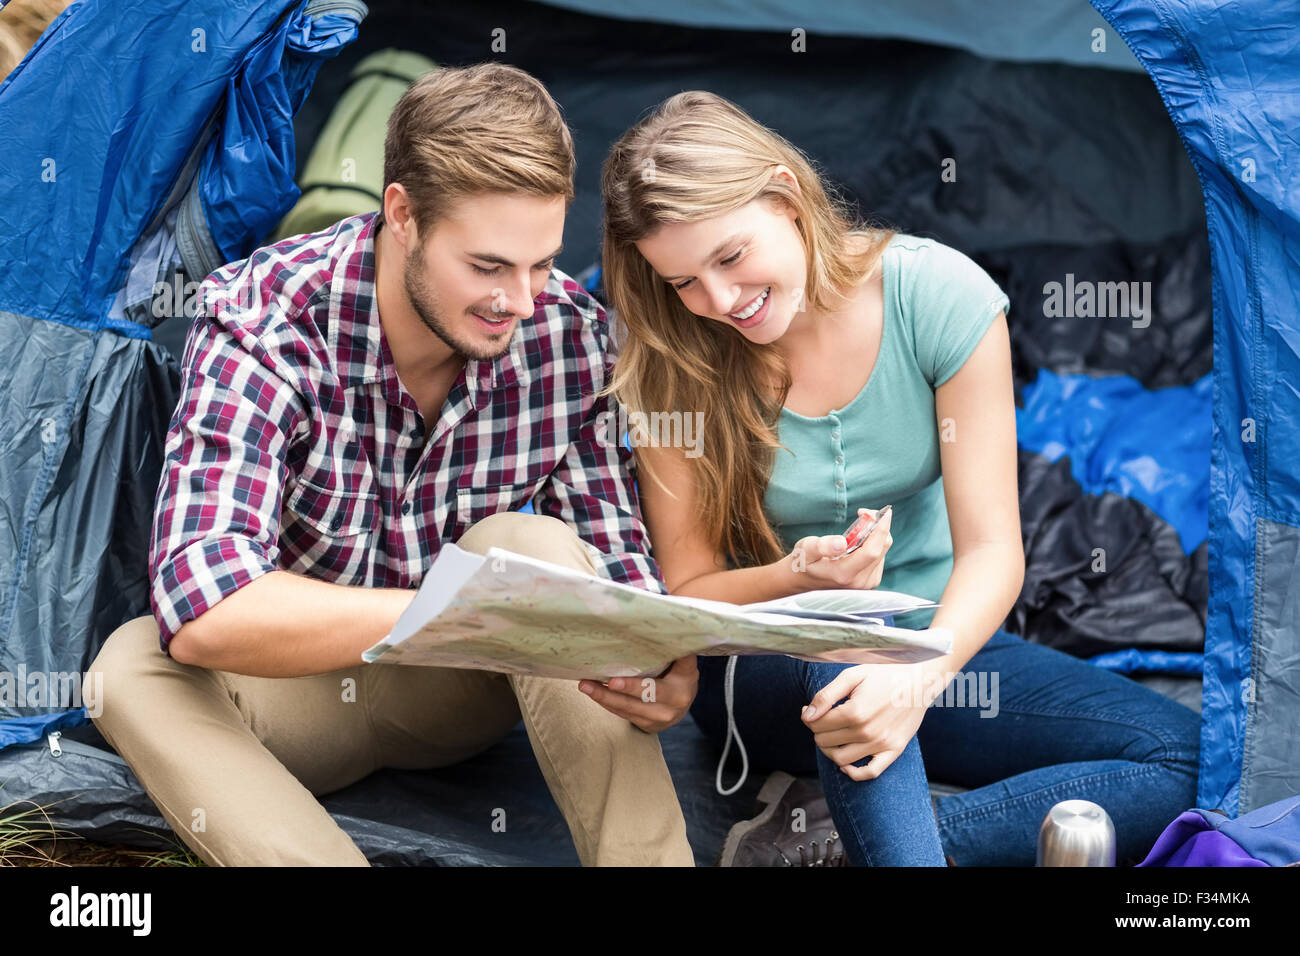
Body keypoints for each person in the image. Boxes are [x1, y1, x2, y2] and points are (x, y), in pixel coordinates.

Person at [85, 63, 698, 867]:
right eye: (486, 267)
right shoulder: (264, 318)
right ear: (401, 215)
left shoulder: (571, 339)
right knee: (129, 667)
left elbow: (613, 572)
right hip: (296, 692)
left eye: (542, 263)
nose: (519, 301)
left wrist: (654, 666)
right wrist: (464, 604)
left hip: (461, 692)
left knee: (533, 546)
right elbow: (208, 606)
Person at [596, 90, 1201, 866]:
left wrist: (922, 676)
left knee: (1183, 758)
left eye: (730, 257)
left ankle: (837, 852)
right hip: (766, 670)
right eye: (682, 281)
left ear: (785, 197)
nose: (717, 302)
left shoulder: (937, 296)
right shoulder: (670, 356)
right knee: (852, 656)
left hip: (937, 646)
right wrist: (795, 578)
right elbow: (688, 591)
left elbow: (992, 552)